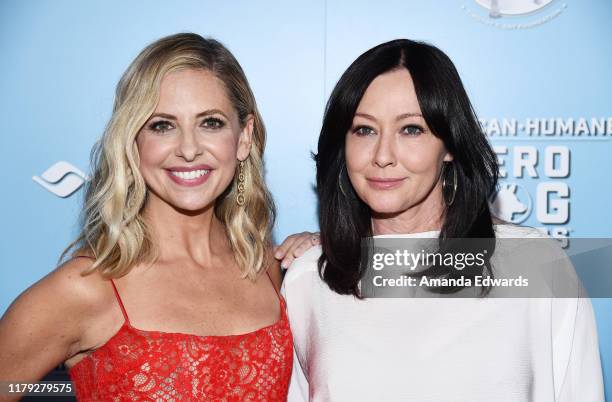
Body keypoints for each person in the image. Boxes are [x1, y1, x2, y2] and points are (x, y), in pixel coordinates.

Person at [282, 39, 604, 401]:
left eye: (411, 129)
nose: (383, 155)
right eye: (364, 130)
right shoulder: (309, 280)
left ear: (449, 144)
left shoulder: (536, 265)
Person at [0, 32, 310, 401]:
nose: (189, 149)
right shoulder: (84, 288)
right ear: (133, 141)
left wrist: (328, 250)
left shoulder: (264, 266)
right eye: (162, 125)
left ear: (244, 138)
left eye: (210, 123)